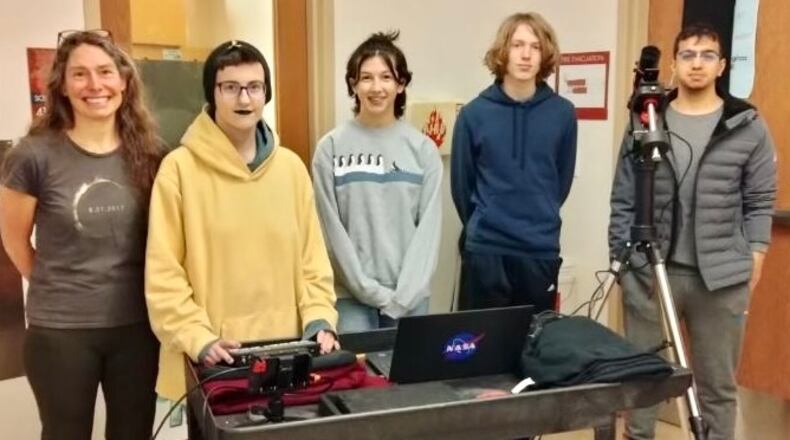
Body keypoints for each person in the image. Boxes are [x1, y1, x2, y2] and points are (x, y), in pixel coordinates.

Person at [145, 40, 338, 402]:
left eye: (254, 87)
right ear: (212, 94)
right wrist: (197, 337)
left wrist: (319, 318)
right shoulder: (179, 171)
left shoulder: (291, 169)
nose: (244, 99)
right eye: (230, 87)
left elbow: (314, 262)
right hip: (216, 360)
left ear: (265, 94)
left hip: (288, 354)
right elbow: (163, 274)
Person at [609, 24, 776, 440]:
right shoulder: (646, 117)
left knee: (717, 386)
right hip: (651, 270)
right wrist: (623, 260)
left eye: (706, 55)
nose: (696, 63)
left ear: (721, 65)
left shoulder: (746, 125)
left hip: (719, 278)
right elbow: (623, 196)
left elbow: (759, 201)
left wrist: (754, 257)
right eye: (687, 54)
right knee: (645, 380)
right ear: (674, 63)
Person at [0, 30, 164, 439]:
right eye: (80, 74)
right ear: (62, 85)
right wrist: (55, 285)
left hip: (137, 327)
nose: (95, 85)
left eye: (106, 72)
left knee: (133, 432)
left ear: (124, 82)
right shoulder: (32, 155)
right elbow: (14, 239)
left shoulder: (150, 153)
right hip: (60, 332)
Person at [312, 31, 442, 332]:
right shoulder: (330, 149)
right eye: (366, 78)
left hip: (411, 298)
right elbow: (330, 233)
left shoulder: (423, 150)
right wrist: (368, 290)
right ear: (353, 84)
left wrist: (404, 296)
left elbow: (429, 233)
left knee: (411, 379)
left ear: (401, 84)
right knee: (360, 380)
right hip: (350, 298)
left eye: (386, 77)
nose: (376, 87)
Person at [451, 12, 577, 313]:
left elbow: (561, 182)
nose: (525, 55)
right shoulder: (473, 114)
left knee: (535, 347)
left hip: (539, 250)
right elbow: (461, 186)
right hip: (487, 251)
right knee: (479, 347)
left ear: (543, 54)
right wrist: (487, 221)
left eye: (534, 47)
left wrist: (537, 218)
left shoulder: (563, 114)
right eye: (518, 44)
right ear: (503, 52)